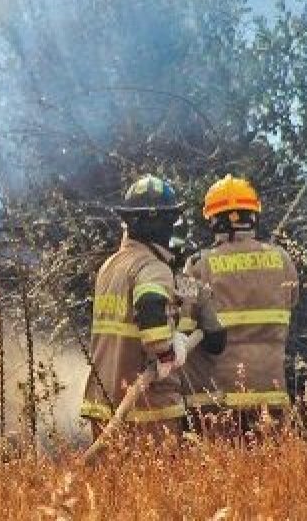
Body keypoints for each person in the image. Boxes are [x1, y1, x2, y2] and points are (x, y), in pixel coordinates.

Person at [79, 175, 226, 441]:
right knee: (158, 482)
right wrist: (169, 351)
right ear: (164, 224)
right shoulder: (152, 268)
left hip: (103, 402)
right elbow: (149, 309)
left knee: (110, 482)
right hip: (147, 408)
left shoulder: (110, 266)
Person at [181, 174, 300, 439]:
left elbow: (184, 323)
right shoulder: (282, 259)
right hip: (272, 392)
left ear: (213, 221)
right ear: (253, 216)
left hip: (220, 397)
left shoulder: (199, 265)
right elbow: (291, 301)